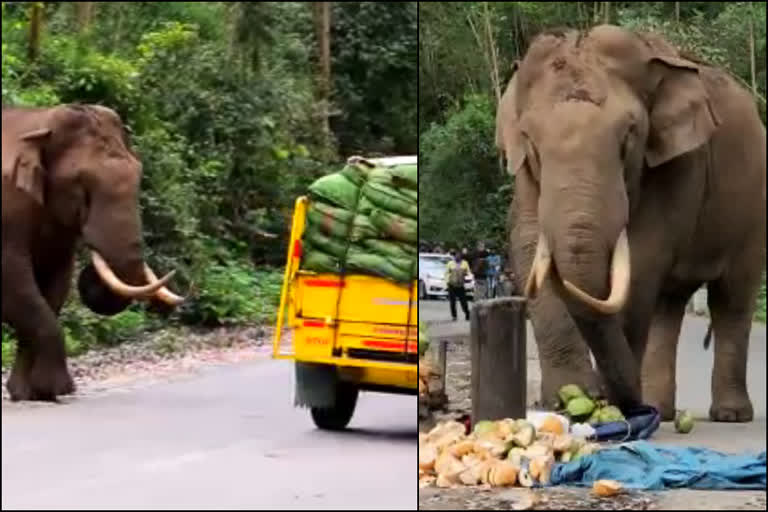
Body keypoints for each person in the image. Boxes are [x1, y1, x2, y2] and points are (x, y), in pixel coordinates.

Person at [445, 249, 471, 321]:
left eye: (459, 255)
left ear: (461, 256)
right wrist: (447, 282)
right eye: (456, 255)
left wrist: (466, 276)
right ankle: (454, 316)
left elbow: (468, 272)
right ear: (454, 256)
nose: (458, 256)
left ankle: (467, 314)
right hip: (452, 284)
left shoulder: (465, 263)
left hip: (460, 285)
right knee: (452, 302)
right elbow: (446, 273)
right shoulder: (450, 263)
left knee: (464, 302)